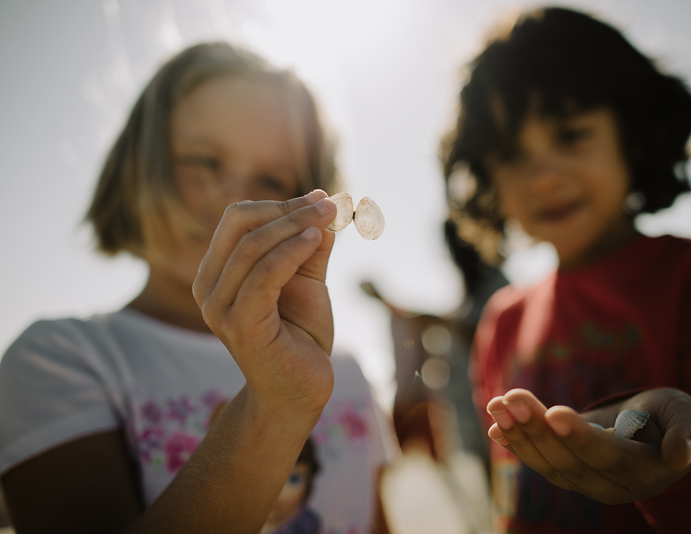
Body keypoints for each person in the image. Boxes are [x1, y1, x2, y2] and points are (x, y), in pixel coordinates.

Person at [0, 42, 395, 534]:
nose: (237, 200)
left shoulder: (343, 376)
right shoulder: (60, 360)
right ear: (138, 167)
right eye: (204, 162)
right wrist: (278, 407)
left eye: (272, 176)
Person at [440, 6, 691, 533]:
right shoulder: (503, 320)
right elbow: (509, 497)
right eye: (511, 155)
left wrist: (680, 472)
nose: (542, 177)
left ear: (630, 132)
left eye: (570, 135)